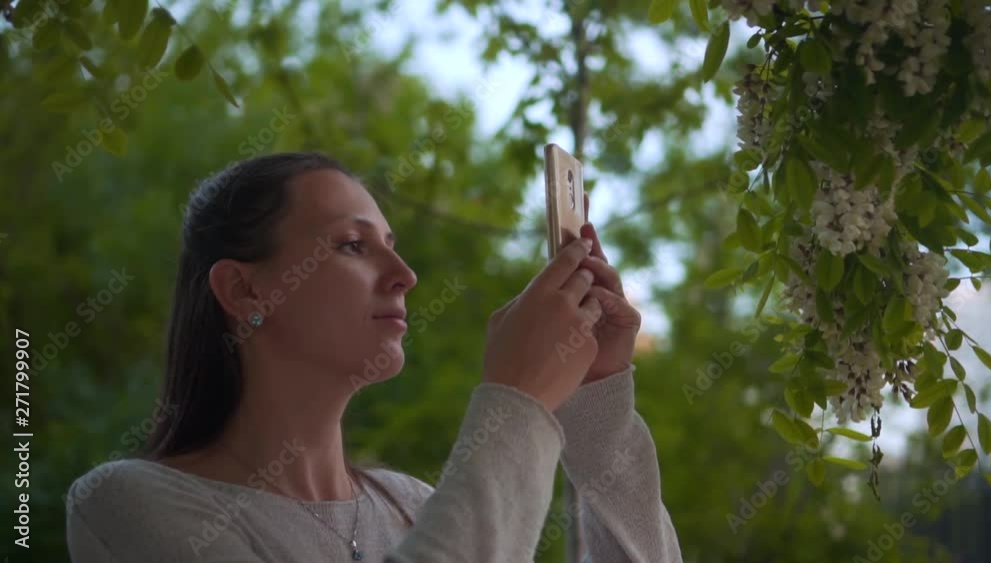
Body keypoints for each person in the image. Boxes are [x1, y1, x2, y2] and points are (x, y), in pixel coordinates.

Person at [64, 151, 684, 562]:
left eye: (393, 245)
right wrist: (517, 402)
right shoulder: (129, 506)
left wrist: (596, 404)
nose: (406, 275)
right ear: (244, 289)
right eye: (354, 245)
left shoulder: (413, 506)